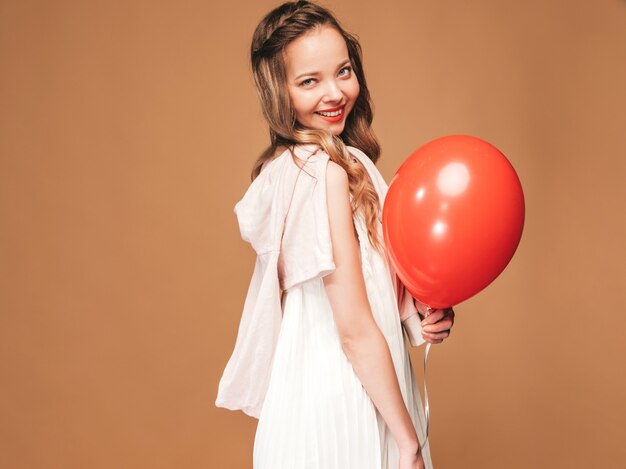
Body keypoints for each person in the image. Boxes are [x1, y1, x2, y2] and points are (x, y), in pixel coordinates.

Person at [215, 1, 455, 468]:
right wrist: (409, 442)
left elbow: (380, 282)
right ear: (279, 93)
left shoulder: (336, 166)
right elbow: (354, 331)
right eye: (309, 81)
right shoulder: (321, 174)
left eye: (343, 71)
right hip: (344, 405)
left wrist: (421, 314)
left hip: (339, 395)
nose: (334, 92)